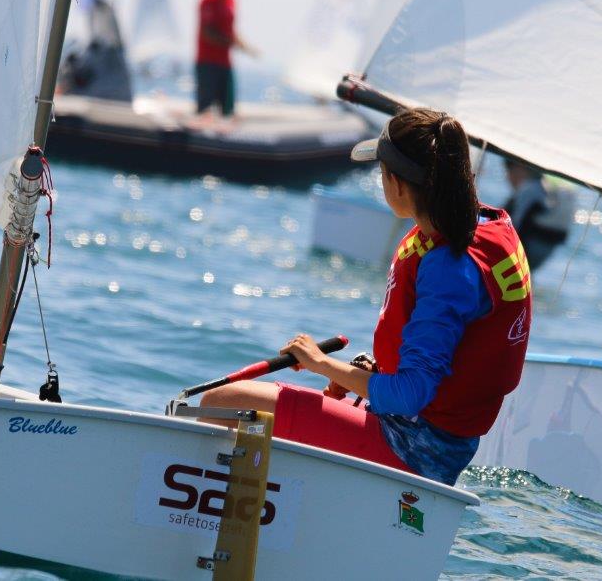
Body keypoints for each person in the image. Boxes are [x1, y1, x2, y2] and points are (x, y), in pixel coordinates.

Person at [201, 108, 532, 485]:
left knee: (221, 404)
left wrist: (319, 363)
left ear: (399, 185)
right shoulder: (488, 227)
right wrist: (373, 372)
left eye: (381, 172)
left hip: (413, 448)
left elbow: (409, 395)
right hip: (429, 434)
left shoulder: (449, 269)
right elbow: (452, 351)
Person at [195, 0, 254, 117]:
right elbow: (206, 33)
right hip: (207, 61)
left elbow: (231, 31)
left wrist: (245, 46)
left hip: (225, 63)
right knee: (205, 108)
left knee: (227, 109)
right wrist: (229, 42)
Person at [502, 160, 573, 270]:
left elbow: (514, 226)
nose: (507, 177)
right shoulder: (548, 187)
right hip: (547, 246)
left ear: (519, 168)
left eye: (508, 171)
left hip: (530, 245)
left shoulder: (530, 189)